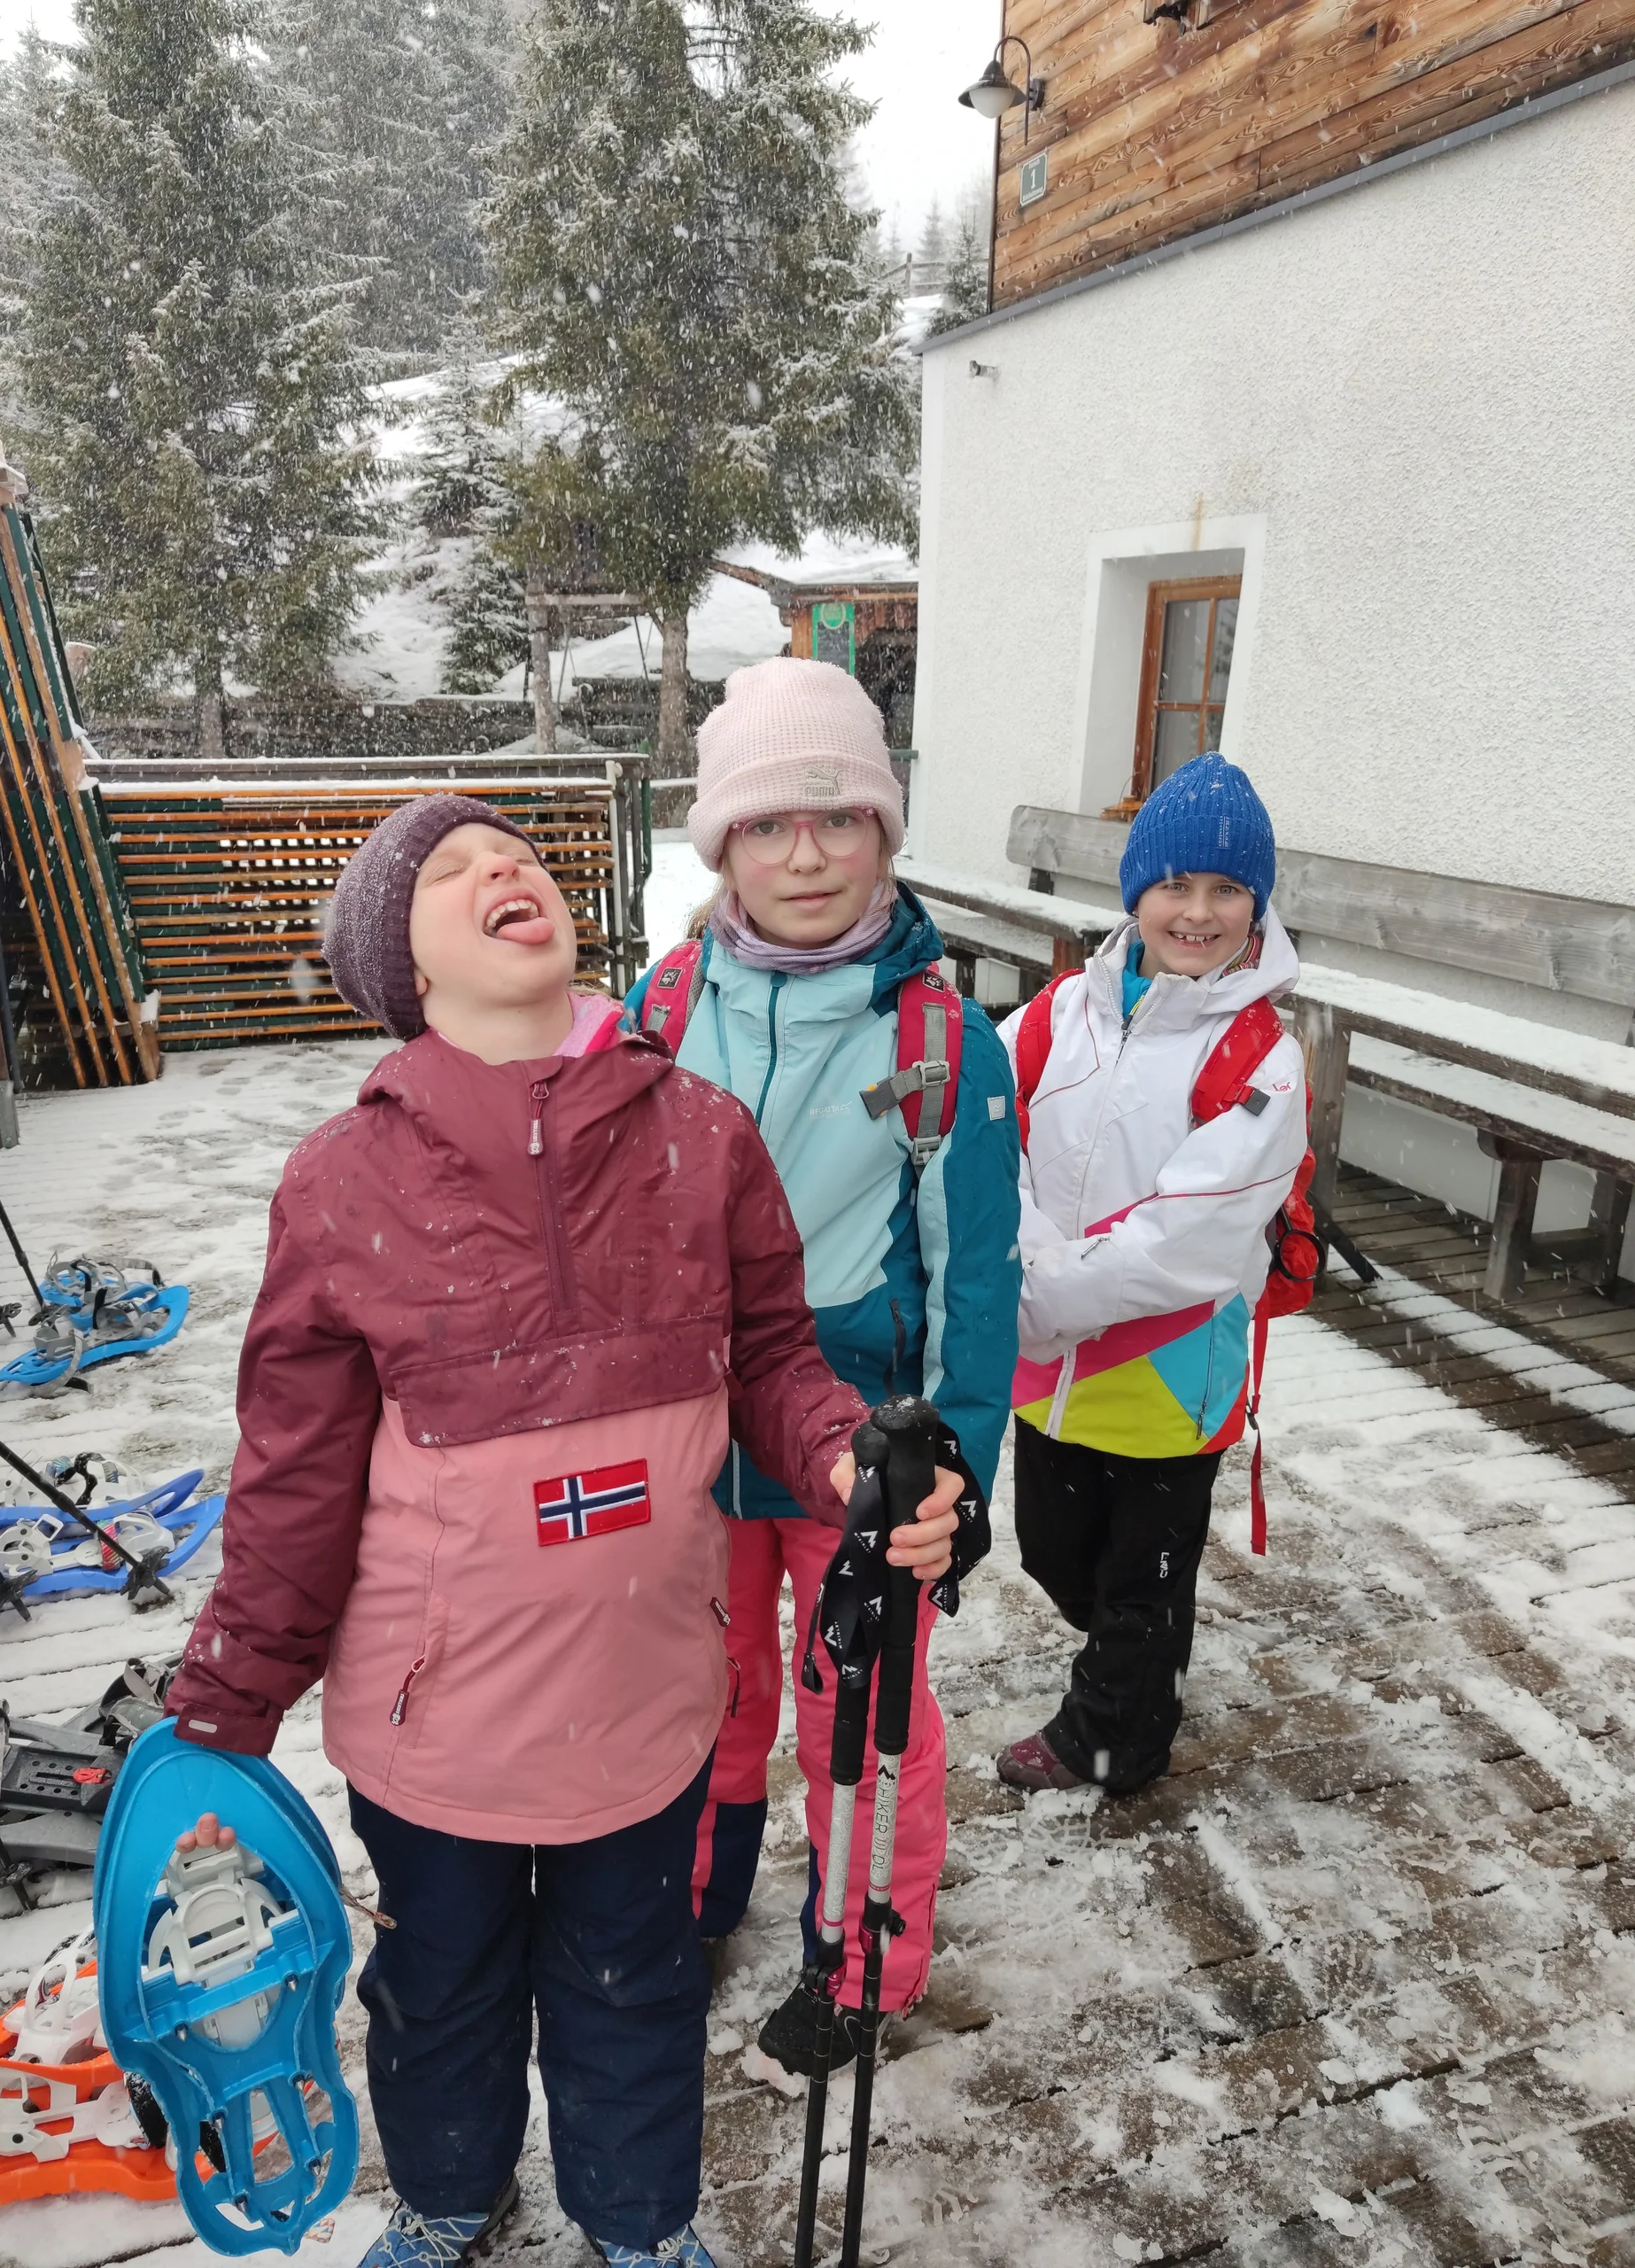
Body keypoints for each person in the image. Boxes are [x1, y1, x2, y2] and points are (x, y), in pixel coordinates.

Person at [163, 795, 966, 2268]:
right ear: (398, 969)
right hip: (436, 1726)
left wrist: (853, 1460)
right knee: (442, 1989)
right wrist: (226, 1695)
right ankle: (450, 2199)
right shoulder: (343, 1186)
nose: (504, 870)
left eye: (517, 853)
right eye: (454, 872)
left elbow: (780, 1359)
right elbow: (293, 1469)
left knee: (634, 1985)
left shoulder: (702, 1137)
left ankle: (641, 2223)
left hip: (644, 1706)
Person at [625, 658, 1020, 2074]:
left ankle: (862, 1955)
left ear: (885, 837)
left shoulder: (939, 1043)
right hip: (687, 1439)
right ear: (722, 841)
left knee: (853, 1708)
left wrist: (952, 1488)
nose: (807, 855)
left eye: (842, 820)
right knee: (700, 1684)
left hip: (858, 1450)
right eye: (772, 825)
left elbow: (979, 1286)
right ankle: (698, 1890)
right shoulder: (662, 1011)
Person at [992, 752, 1308, 1799]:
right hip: (1054, 1366)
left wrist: (1035, 1294)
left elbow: (1195, 1235)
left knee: (1139, 1577)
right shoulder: (1058, 1013)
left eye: (1228, 890)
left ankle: (1116, 1734)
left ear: (1257, 902)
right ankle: (1143, 1659)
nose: (1200, 912)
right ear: (1136, 892)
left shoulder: (1262, 1053)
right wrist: (1032, 1258)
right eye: (1177, 884)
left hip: (1173, 1376)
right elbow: (992, 1133)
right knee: (1051, 1553)